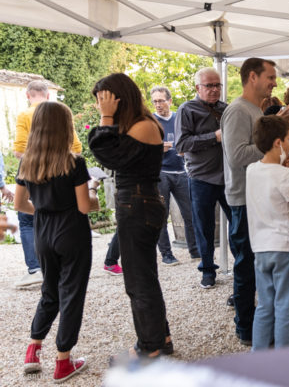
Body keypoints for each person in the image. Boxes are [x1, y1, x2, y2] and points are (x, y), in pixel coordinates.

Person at [89, 73, 173, 361]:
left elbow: (105, 154)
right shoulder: (141, 125)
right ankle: (160, 337)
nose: (101, 107)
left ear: (118, 100)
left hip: (138, 203)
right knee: (144, 276)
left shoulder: (143, 126)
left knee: (138, 281)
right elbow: (105, 150)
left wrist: (106, 118)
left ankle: (149, 348)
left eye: (104, 101)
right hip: (138, 201)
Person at [16, 102, 95, 382]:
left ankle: (33, 350)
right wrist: (94, 194)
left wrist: (45, 209)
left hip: (43, 232)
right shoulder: (74, 162)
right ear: (66, 127)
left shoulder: (27, 161)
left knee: (50, 291)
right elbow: (85, 206)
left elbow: (19, 203)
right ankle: (63, 361)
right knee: (71, 294)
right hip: (72, 231)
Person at [221, 57, 289, 347]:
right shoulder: (238, 110)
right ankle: (247, 330)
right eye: (270, 77)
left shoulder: (254, 110)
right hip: (242, 199)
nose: (275, 82)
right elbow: (236, 156)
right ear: (252, 77)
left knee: (256, 270)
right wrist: (271, 147)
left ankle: (262, 334)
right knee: (246, 268)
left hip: (254, 198)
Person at [13, 81, 84, 290]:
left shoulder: (24, 116)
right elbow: (77, 147)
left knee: (27, 221)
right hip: (63, 174)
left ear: (28, 95)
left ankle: (35, 268)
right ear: (47, 95)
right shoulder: (61, 114)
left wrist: (38, 163)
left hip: (33, 175)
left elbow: (18, 151)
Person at [246, 116, 289, 349]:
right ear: (279, 142)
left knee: (265, 305)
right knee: (285, 306)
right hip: (285, 245)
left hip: (260, 246)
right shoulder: (287, 175)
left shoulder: (251, 170)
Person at [175, 67, 231, 289]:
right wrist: (214, 137)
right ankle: (208, 270)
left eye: (217, 85)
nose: (215, 89)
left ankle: (244, 268)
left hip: (228, 178)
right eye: (209, 86)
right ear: (198, 88)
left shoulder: (226, 110)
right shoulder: (187, 109)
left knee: (238, 225)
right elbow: (181, 145)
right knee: (204, 227)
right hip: (201, 178)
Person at [151, 86, 200, 265]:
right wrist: (158, 148)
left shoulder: (178, 118)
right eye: (155, 101)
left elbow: (188, 140)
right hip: (161, 173)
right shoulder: (150, 121)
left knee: (190, 214)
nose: (158, 104)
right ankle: (167, 254)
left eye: (161, 100)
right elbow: (143, 149)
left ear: (170, 101)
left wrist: (184, 150)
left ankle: (195, 251)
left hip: (181, 171)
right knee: (162, 216)